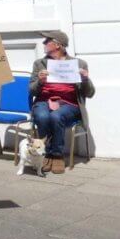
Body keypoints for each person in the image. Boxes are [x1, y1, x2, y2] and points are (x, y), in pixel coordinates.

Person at [29, 30, 95, 174]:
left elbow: (90, 93)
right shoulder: (39, 63)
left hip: (69, 104)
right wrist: (40, 82)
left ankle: (57, 156)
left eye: (47, 41)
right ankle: (47, 154)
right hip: (44, 101)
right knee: (42, 116)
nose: (44, 43)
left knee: (56, 116)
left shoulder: (79, 64)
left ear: (58, 45)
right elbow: (32, 91)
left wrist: (85, 79)